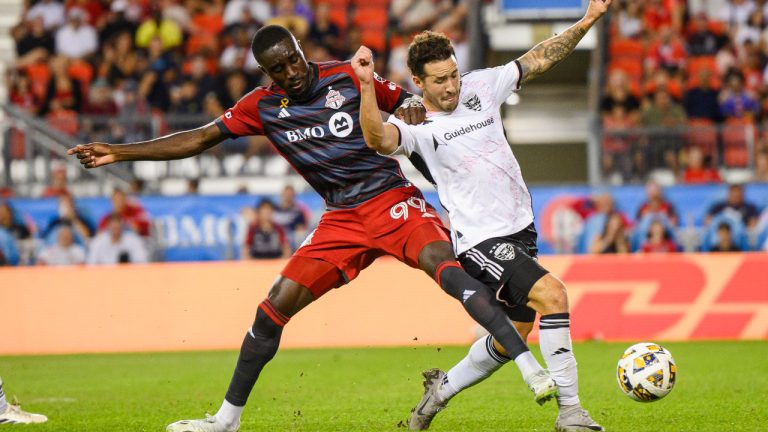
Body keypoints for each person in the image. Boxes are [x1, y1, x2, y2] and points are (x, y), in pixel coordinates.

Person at [68, 25, 553, 432]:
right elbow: (200, 138)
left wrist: (407, 105)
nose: (293, 71)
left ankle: (531, 371)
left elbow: (407, 100)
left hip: (392, 199)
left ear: (301, 53)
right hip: (340, 218)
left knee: (449, 272)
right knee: (271, 309)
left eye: (295, 60)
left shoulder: (345, 74)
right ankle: (225, 420)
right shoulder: (260, 106)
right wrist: (120, 152)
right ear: (268, 73)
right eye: (280, 68)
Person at [353, 1, 612, 430]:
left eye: (453, 74)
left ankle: (441, 391)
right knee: (554, 296)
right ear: (418, 82)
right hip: (481, 242)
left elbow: (539, 57)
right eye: (439, 81)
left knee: (514, 338)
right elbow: (377, 137)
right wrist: (366, 86)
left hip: (520, 230)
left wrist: (587, 21)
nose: (451, 87)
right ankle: (571, 412)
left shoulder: (481, 86)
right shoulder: (415, 127)